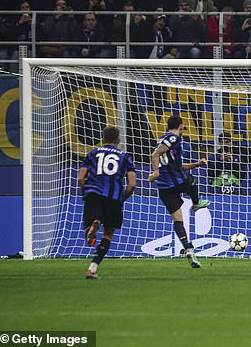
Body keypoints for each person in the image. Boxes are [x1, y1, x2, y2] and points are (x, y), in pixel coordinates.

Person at [147, 115, 211, 269]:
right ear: (181, 126)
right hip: (176, 182)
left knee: (178, 220)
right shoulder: (173, 138)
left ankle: (188, 249)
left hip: (164, 188)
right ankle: (196, 203)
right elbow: (155, 154)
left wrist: (197, 163)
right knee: (191, 181)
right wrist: (155, 172)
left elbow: (178, 165)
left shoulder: (164, 140)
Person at [78, 126, 136, 279]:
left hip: (94, 194)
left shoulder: (92, 153)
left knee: (89, 231)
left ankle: (93, 225)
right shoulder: (125, 157)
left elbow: (81, 177)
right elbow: (132, 184)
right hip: (114, 197)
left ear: (103, 139)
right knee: (108, 234)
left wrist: (86, 192)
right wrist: (121, 198)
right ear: (118, 139)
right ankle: (92, 268)